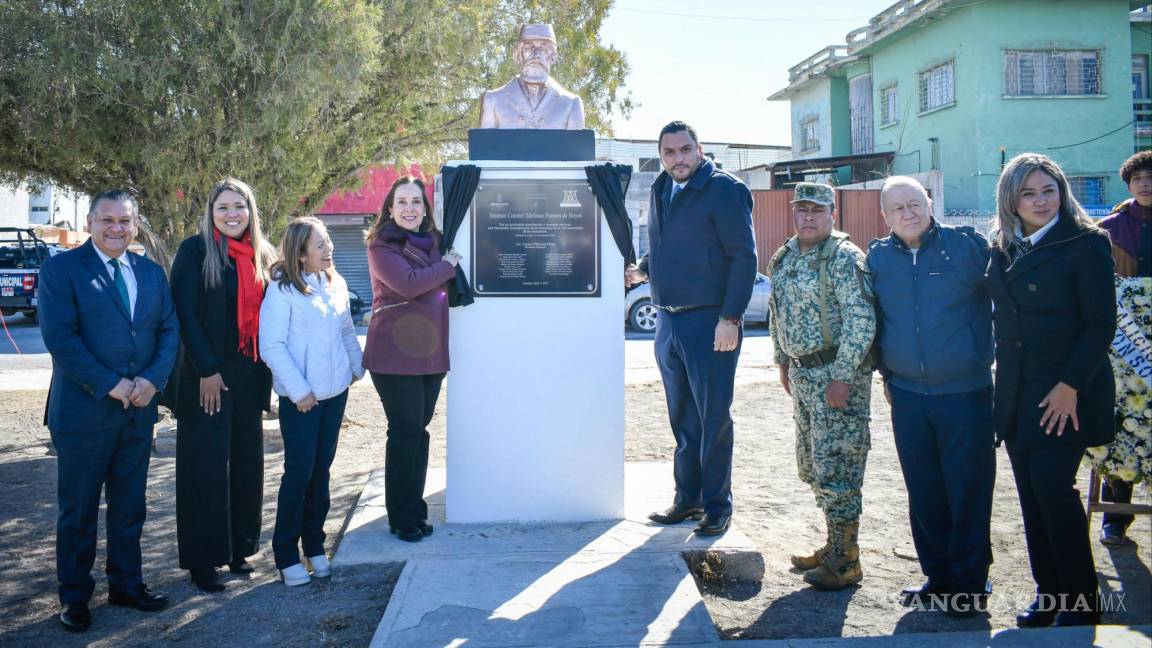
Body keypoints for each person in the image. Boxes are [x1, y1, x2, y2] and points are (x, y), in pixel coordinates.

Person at [38, 190, 179, 631]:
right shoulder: (61, 269)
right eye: (107, 220)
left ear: (135, 226)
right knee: (78, 510)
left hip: (138, 411)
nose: (116, 228)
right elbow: (61, 338)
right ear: (89, 223)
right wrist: (112, 383)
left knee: (129, 505)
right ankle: (75, 596)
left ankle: (127, 584)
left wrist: (152, 382)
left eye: (125, 221)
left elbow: (168, 330)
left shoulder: (151, 273)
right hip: (84, 413)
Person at [985, 153, 1116, 628]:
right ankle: (1050, 593)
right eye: (1029, 192)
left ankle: (1081, 602)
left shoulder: (1086, 243)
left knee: (1054, 492)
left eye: (1049, 189)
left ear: (1062, 191)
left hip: (1066, 394)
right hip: (1019, 392)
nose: (1041, 201)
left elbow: (1101, 323)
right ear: (1011, 200)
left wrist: (1070, 386)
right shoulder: (1002, 248)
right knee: (1030, 495)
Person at [866, 176, 995, 616]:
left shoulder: (966, 248)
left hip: (966, 393)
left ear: (929, 202)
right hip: (907, 396)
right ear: (884, 216)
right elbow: (875, 323)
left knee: (968, 489)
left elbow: (1007, 299)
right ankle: (938, 577)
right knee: (924, 491)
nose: (908, 212)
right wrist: (886, 373)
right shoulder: (878, 258)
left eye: (914, 203)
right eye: (897, 207)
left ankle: (970, 583)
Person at [625, 121, 757, 537]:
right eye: (669, 153)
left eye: (685, 150)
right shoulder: (662, 188)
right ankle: (688, 499)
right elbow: (664, 243)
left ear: (699, 149)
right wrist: (642, 269)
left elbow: (743, 258)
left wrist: (730, 318)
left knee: (713, 417)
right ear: (661, 156)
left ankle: (718, 506)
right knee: (683, 419)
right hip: (667, 321)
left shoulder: (725, 190)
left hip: (710, 322)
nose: (678, 159)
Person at [170, 178, 276, 592]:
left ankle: (238, 550)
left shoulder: (261, 256)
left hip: (249, 378)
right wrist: (207, 370)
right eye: (223, 207)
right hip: (206, 380)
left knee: (247, 464)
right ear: (210, 212)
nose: (232, 214)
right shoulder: (195, 251)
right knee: (206, 469)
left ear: (251, 211)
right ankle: (203, 560)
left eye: (240, 206)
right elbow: (185, 315)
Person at [768, 182, 875, 590]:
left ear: (833, 214)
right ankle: (833, 546)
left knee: (839, 466)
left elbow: (862, 321)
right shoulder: (787, 255)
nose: (808, 217)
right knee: (812, 465)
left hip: (836, 377)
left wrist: (843, 376)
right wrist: (782, 361)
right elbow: (777, 314)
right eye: (802, 210)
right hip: (802, 374)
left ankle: (847, 560)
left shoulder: (846, 258)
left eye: (817, 210)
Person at [260, 217, 364, 586]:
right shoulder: (282, 290)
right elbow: (271, 346)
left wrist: (355, 368)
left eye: (328, 241)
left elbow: (348, 331)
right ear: (300, 254)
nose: (328, 249)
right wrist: (299, 390)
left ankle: (315, 546)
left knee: (321, 473)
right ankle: (286, 554)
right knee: (299, 475)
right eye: (320, 244)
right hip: (302, 401)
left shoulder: (335, 283)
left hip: (335, 395)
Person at [362, 177, 461, 543]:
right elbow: (407, 284)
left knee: (418, 433)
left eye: (416, 202)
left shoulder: (435, 241)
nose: (409, 208)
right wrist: (448, 265)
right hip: (392, 355)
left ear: (425, 208)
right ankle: (400, 517)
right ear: (390, 208)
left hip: (430, 353)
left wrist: (444, 263)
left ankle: (415, 510)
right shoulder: (380, 246)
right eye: (401, 202)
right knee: (404, 433)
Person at [1094, 149, 1152, 546]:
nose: (1146, 185)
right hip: (1124, 345)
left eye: (1151, 178)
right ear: (1128, 185)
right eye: (1139, 180)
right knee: (1122, 424)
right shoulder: (1109, 229)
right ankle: (1116, 517)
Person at [478, 23, 585, 129]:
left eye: (543, 50)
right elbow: (485, 145)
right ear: (517, 55)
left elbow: (576, 146)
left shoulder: (570, 104)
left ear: (553, 57)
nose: (536, 55)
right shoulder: (493, 100)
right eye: (529, 48)